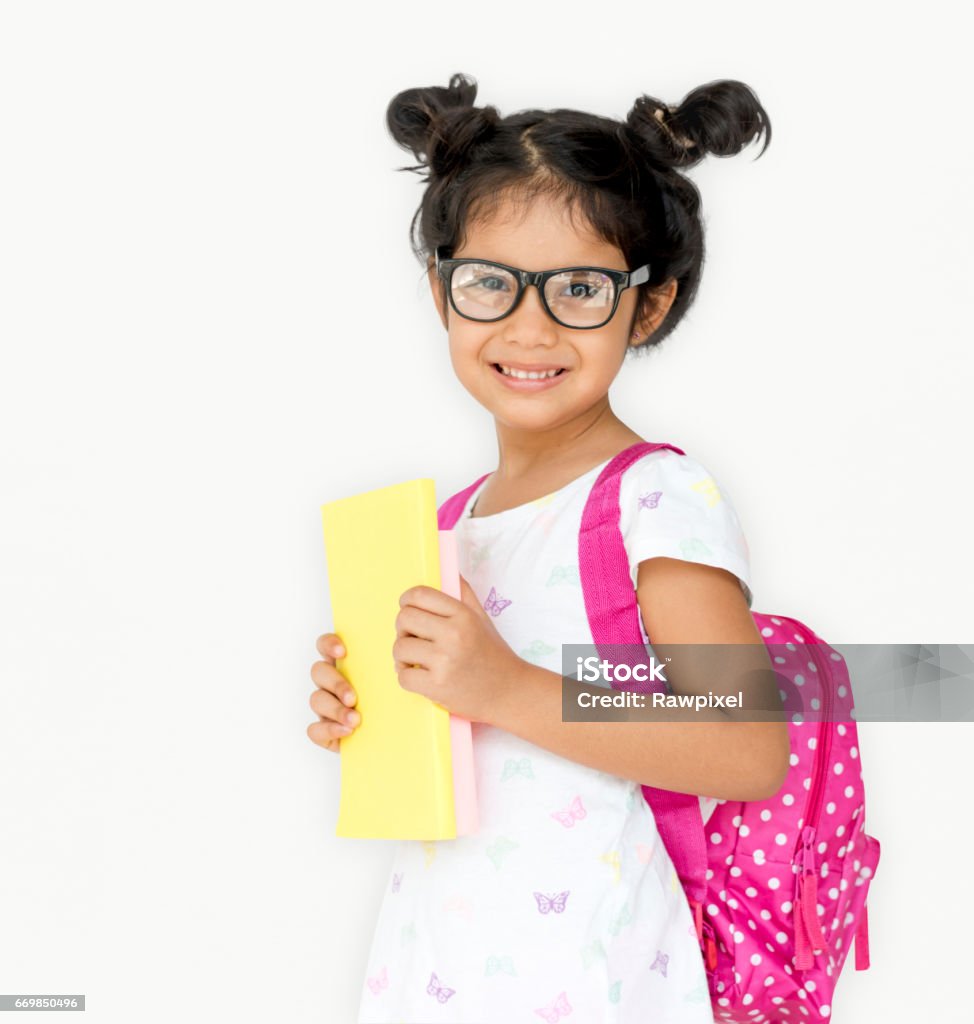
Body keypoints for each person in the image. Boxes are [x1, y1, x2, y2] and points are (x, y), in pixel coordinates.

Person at [308, 72, 790, 1024]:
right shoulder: (446, 526)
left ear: (647, 307)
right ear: (443, 291)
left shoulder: (652, 498)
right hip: (441, 966)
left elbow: (742, 745)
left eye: (579, 288)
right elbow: (471, 745)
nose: (529, 327)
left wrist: (507, 688)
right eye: (490, 282)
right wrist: (366, 708)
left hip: (598, 978)